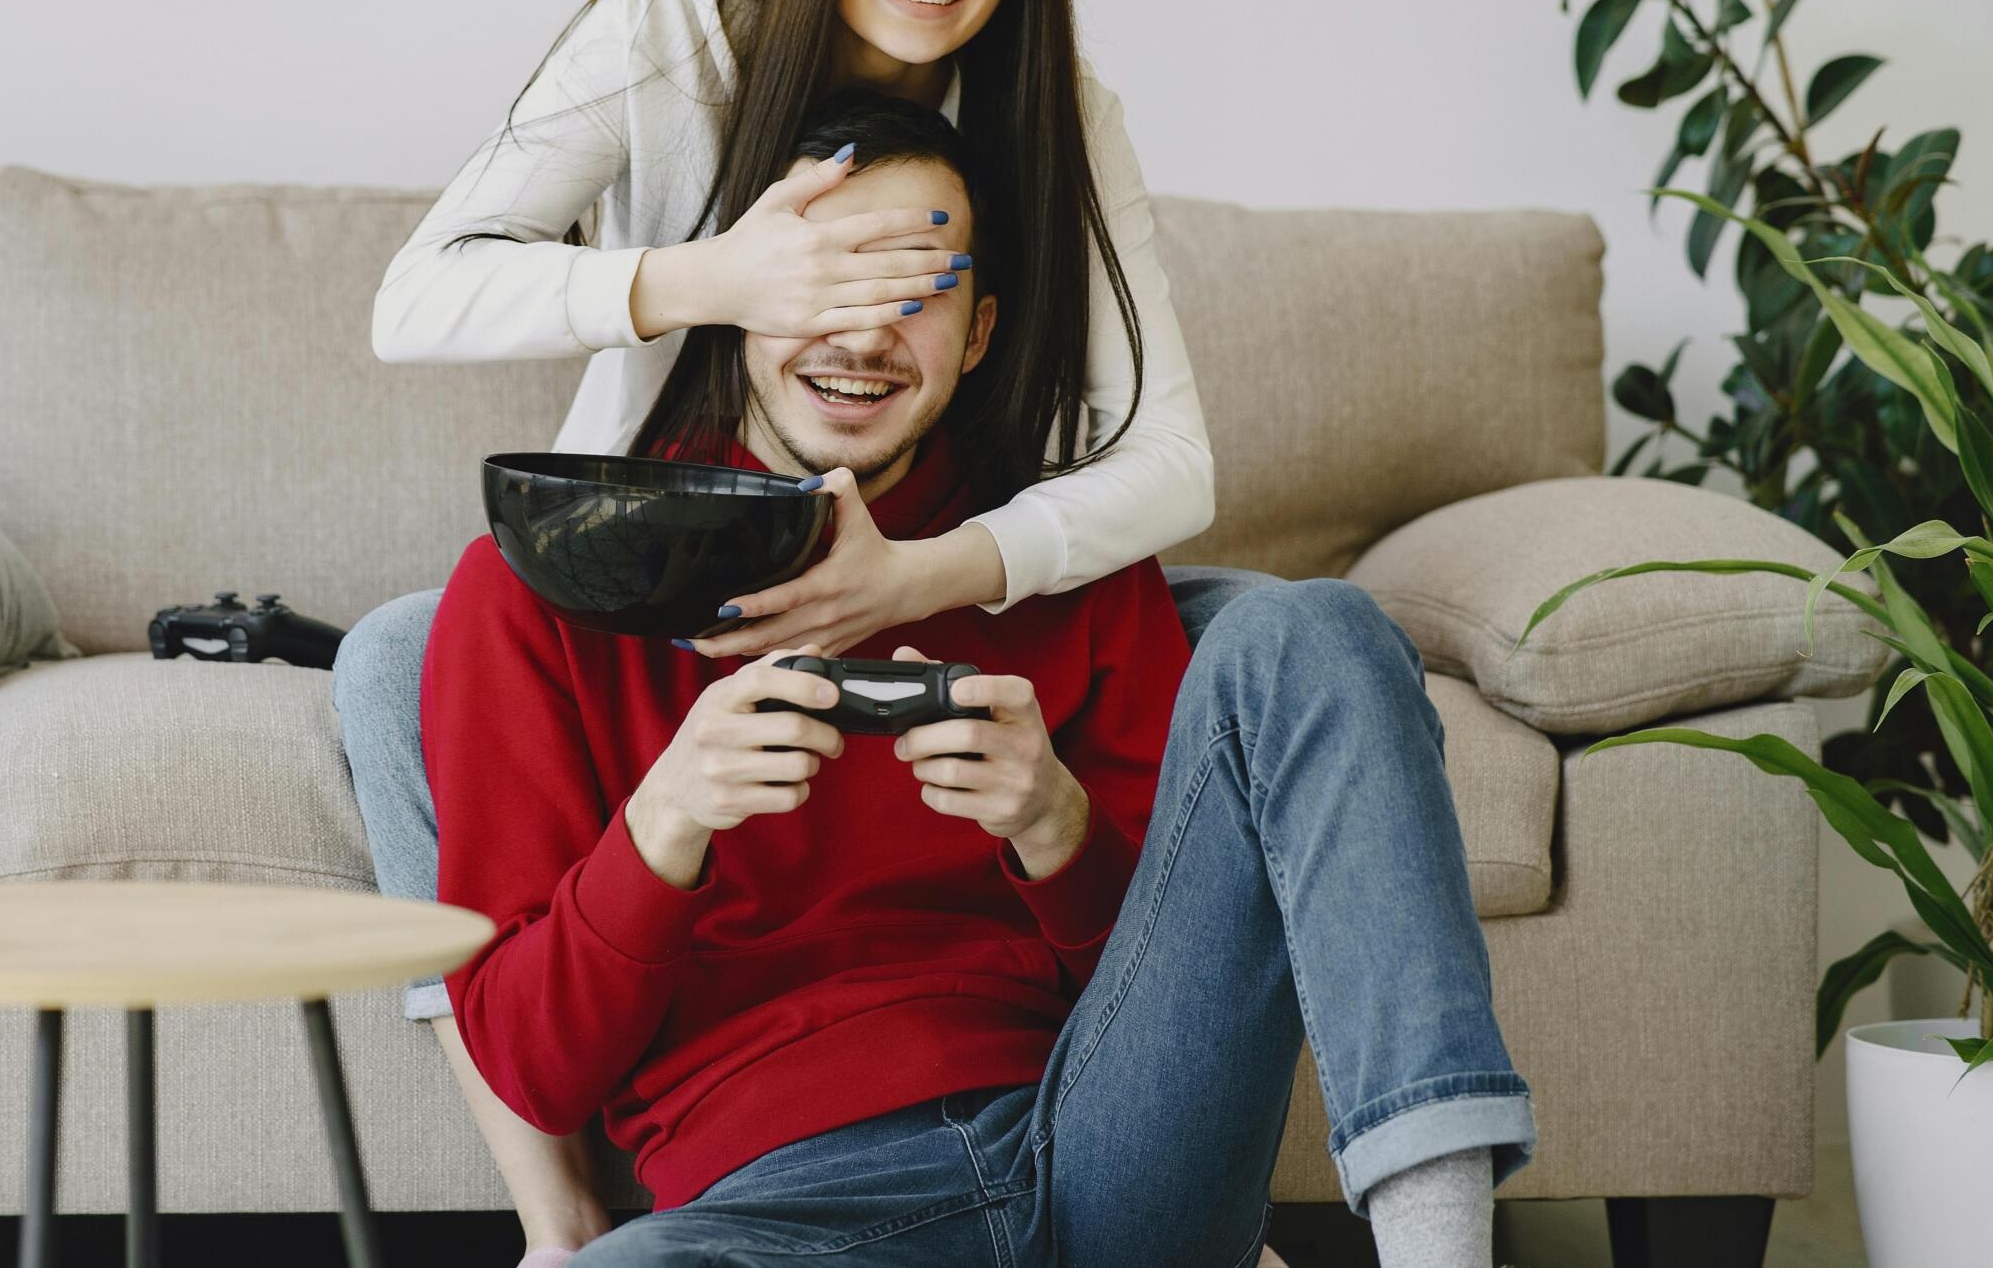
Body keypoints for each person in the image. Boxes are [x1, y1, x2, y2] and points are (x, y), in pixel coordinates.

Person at [419, 97, 1535, 1267]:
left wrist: (1054, 825)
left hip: (1102, 1153)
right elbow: (537, 1071)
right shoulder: (533, 594)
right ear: (739, 295)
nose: (863, 336)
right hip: (769, 1216)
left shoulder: (1065, 556)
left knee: (1314, 627)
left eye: (919, 293)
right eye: (830, 281)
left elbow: (1208, 989)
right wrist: (667, 820)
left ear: (982, 330)